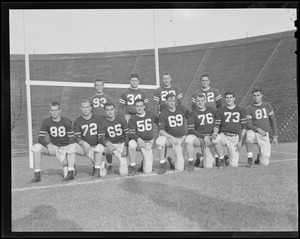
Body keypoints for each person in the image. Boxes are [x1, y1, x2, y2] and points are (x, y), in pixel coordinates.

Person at [30, 102, 76, 182]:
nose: (54, 112)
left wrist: (65, 153)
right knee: (36, 147)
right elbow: (40, 138)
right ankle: (37, 174)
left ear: (60, 111)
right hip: (53, 147)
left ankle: (71, 169)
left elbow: (71, 139)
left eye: (56, 110)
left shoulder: (67, 121)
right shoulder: (46, 122)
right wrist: (48, 145)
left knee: (72, 148)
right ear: (49, 111)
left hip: (65, 146)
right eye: (52, 110)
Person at [185, 93, 223, 170]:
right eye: (198, 101)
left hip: (210, 137)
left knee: (208, 166)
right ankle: (191, 163)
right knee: (188, 139)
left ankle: (220, 160)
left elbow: (218, 122)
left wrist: (215, 132)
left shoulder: (212, 110)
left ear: (205, 101)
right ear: (195, 102)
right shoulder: (193, 113)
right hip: (199, 138)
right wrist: (203, 137)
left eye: (202, 100)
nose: (200, 102)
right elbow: (190, 130)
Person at [211, 92, 247, 168]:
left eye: (230, 97)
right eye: (227, 98)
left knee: (234, 165)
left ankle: (226, 159)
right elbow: (217, 125)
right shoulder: (221, 110)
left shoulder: (240, 110)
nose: (229, 99)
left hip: (234, 137)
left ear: (234, 98)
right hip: (224, 135)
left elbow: (244, 127)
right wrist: (215, 132)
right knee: (215, 139)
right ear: (225, 99)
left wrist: (241, 142)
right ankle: (221, 160)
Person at [156, 93, 190, 174]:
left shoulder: (181, 109)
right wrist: (171, 137)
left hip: (181, 138)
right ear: (166, 102)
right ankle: (162, 164)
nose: (172, 102)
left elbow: (191, 117)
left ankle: (171, 160)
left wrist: (189, 131)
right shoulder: (163, 113)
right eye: (170, 101)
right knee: (159, 141)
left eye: (173, 101)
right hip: (170, 139)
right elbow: (160, 131)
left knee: (180, 168)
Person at [245, 88, 278, 166]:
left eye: (258, 95)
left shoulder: (267, 106)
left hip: (264, 134)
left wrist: (275, 136)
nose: (256, 97)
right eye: (254, 95)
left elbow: (273, 121)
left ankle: (259, 157)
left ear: (262, 96)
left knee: (264, 163)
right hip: (254, 133)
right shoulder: (249, 108)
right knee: (249, 135)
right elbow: (248, 124)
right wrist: (258, 129)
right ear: (252, 96)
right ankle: (249, 157)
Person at [73, 99, 106, 179]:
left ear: (91, 108)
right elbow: (76, 137)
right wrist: (83, 143)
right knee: (71, 147)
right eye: (83, 107)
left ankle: (98, 167)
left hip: (97, 146)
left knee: (103, 173)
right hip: (86, 148)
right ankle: (71, 168)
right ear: (80, 108)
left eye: (87, 107)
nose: (85, 109)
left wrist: (98, 146)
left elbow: (102, 136)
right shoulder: (78, 121)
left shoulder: (99, 119)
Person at [128, 99, 159, 175]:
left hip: (148, 143)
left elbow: (160, 123)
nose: (139, 108)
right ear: (134, 107)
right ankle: (132, 167)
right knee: (131, 144)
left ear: (144, 106)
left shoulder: (151, 114)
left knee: (148, 171)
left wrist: (155, 136)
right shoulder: (132, 119)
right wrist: (138, 139)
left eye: (141, 106)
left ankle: (144, 163)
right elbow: (131, 133)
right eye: (137, 106)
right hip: (137, 142)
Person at [89, 79, 115, 169]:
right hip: (96, 124)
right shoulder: (91, 99)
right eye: (97, 85)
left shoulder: (109, 98)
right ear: (94, 86)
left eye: (100, 85)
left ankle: (110, 164)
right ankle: (97, 163)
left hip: (106, 123)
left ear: (103, 86)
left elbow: (112, 111)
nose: (99, 87)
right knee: (97, 143)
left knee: (107, 142)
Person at [98, 102, 129, 176]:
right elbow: (100, 137)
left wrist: (125, 147)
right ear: (105, 111)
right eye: (107, 110)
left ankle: (127, 164)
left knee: (124, 172)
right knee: (99, 148)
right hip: (111, 144)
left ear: (114, 110)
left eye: (111, 109)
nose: (110, 111)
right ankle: (105, 164)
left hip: (121, 144)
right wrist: (107, 143)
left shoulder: (121, 119)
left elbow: (127, 134)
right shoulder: (103, 122)